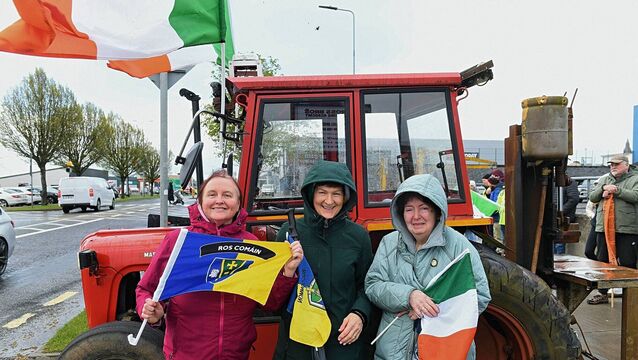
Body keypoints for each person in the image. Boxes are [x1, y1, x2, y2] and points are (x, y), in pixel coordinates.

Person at [136, 170, 303, 359]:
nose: (219, 200)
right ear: (200, 201)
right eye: (212, 194)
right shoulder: (178, 241)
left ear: (238, 203)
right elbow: (145, 289)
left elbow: (269, 303)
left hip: (236, 354)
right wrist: (152, 311)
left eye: (227, 195)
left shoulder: (250, 243)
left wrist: (287, 272)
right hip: (185, 354)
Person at [365, 174, 491, 360]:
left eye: (424, 209)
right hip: (394, 351)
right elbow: (373, 284)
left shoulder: (459, 247)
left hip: (444, 349)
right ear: (401, 213)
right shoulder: (389, 244)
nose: (416, 217)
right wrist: (409, 296)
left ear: (437, 212)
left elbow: (479, 295)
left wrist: (430, 310)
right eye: (409, 209)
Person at [274, 160, 373, 360]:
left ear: (345, 197)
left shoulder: (358, 236)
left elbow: (368, 286)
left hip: (343, 344)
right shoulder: (289, 233)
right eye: (322, 192)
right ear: (311, 194)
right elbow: (273, 296)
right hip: (298, 345)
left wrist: (359, 314)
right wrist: (288, 273)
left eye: (336, 193)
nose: (329, 200)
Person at [587, 155, 638, 305]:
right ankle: (603, 293)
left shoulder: (635, 178)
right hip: (604, 228)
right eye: (611, 165)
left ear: (626, 165)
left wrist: (617, 190)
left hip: (627, 228)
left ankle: (630, 296)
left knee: (628, 262)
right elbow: (592, 196)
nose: (613, 167)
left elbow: (636, 195)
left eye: (616, 164)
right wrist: (603, 189)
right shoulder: (605, 179)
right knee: (602, 261)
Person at [555, 174, 579, 254]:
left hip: (563, 219)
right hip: (553, 218)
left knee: (559, 244)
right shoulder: (552, 181)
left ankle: (559, 264)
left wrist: (560, 212)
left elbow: (574, 199)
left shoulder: (569, 182)